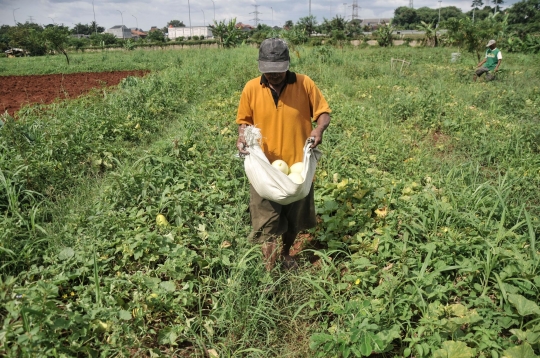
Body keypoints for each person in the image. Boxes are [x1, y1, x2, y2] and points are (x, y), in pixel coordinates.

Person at [235, 38, 331, 271]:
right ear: (261, 66)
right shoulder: (251, 88)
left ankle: (286, 253)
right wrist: (241, 136)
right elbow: (244, 122)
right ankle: (270, 269)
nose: (274, 76)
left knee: (294, 220)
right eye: (268, 71)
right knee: (266, 221)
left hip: (297, 168)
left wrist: (318, 129)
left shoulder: (304, 84)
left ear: (287, 65)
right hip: (265, 170)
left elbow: (323, 112)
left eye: (278, 71)